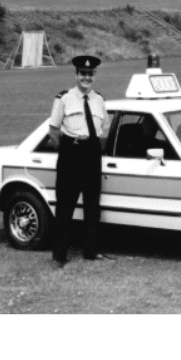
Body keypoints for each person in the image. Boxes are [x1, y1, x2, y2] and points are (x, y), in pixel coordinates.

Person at [48, 55, 107, 267]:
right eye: (83, 73)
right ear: (76, 75)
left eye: (90, 74)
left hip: (92, 154)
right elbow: (53, 130)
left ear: (94, 76)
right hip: (71, 154)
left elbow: (103, 129)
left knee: (92, 205)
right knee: (65, 206)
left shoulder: (99, 99)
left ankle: (90, 251)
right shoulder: (63, 98)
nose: (86, 77)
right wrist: (66, 150)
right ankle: (59, 255)